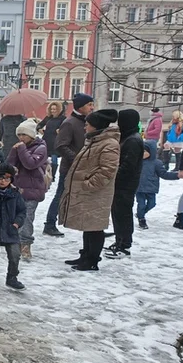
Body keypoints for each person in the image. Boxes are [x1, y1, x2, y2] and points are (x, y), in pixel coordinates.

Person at [59, 109, 120, 271]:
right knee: (88, 225)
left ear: (96, 126)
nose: (85, 127)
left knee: (94, 227)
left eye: (87, 125)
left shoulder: (109, 144)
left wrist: (88, 184)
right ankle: (85, 255)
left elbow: (107, 170)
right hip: (89, 193)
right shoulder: (94, 141)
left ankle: (92, 260)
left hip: (96, 193)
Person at [44, 92, 95, 237]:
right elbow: (60, 146)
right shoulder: (70, 122)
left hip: (86, 167)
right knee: (61, 195)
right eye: (89, 105)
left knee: (89, 196)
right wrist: (78, 159)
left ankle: (93, 228)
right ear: (80, 107)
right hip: (71, 167)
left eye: (92, 104)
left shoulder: (88, 121)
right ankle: (49, 224)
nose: (92, 107)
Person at [7, 118, 49, 260]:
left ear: (31, 135)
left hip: (33, 189)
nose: (21, 138)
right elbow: (10, 166)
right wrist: (14, 152)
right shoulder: (20, 146)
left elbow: (30, 164)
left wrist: (21, 149)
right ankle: (15, 242)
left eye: (23, 135)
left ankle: (26, 244)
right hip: (18, 188)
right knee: (16, 216)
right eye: (19, 135)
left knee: (27, 218)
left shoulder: (41, 148)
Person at [106, 109, 144, 258]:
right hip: (121, 183)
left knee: (123, 213)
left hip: (126, 184)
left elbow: (128, 165)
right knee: (117, 212)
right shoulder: (127, 137)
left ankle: (125, 245)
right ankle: (119, 240)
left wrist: (113, 176)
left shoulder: (133, 140)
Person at [135, 139, 179, 229]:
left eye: (144, 151)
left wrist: (177, 176)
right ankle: (141, 219)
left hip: (151, 188)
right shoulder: (137, 162)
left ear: (151, 151)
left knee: (152, 204)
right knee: (141, 204)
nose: (142, 153)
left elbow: (164, 174)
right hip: (139, 188)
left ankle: (141, 213)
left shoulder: (156, 163)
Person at [36, 101, 65, 180]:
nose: (53, 111)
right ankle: (43, 174)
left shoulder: (63, 119)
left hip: (56, 141)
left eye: (55, 109)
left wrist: (61, 130)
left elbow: (66, 128)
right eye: (51, 109)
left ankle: (53, 176)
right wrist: (39, 129)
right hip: (47, 139)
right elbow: (39, 125)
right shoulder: (48, 118)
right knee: (43, 159)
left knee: (54, 160)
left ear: (58, 109)